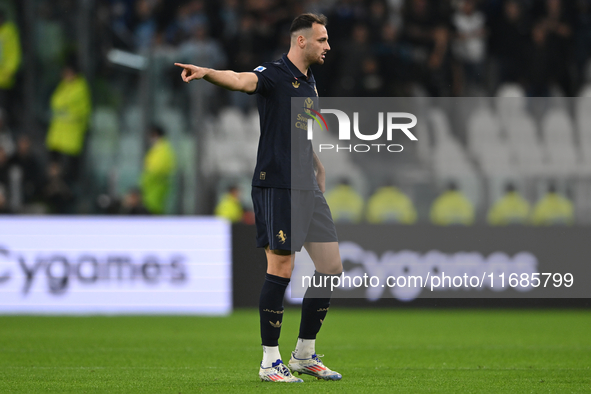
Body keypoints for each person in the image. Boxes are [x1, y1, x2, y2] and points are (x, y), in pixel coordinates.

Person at [175, 13, 342, 383]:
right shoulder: (274, 73)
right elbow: (240, 80)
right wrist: (207, 72)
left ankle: (304, 353)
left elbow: (302, 130)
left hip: (306, 186)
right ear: (301, 41)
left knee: (330, 268)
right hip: (277, 184)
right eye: (322, 40)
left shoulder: (310, 82)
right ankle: (270, 361)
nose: (328, 46)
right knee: (281, 268)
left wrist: (317, 163)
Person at [45, 60, 92, 185]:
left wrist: (64, 113)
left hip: (71, 135)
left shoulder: (80, 88)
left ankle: (67, 188)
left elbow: (80, 110)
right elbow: (55, 102)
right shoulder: (63, 85)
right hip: (58, 134)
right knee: (54, 165)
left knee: (70, 169)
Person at [140, 125, 176, 215]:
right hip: (151, 189)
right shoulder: (157, 149)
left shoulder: (163, 150)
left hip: (156, 188)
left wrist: (146, 179)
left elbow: (157, 170)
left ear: (155, 134)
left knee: (154, 214)